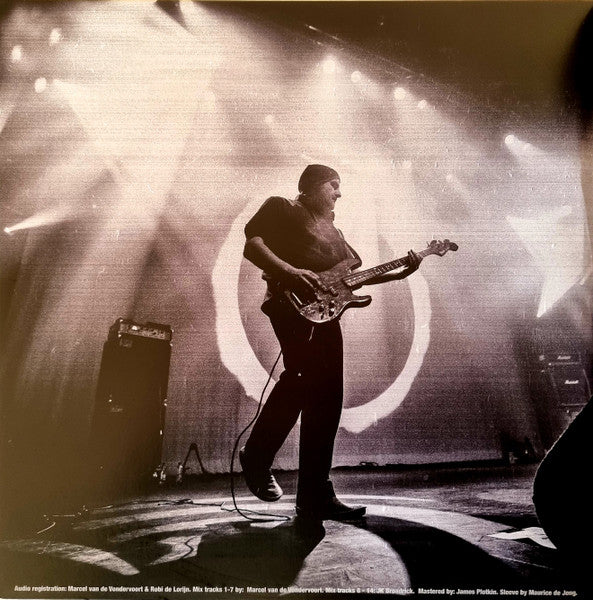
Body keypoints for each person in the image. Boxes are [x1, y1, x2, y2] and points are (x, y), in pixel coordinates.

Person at [240, 164, 422, 520]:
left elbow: (352, 279)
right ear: (310, 187)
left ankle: (315, 494)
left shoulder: (334, 232)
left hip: (326, 314)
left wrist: (402, 271)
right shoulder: (282, 207)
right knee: (302, 379)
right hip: (290, 303)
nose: (339, 192)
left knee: (328, 398)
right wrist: (291, 271)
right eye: (333, 185)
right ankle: (258, 454)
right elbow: (253, 244)